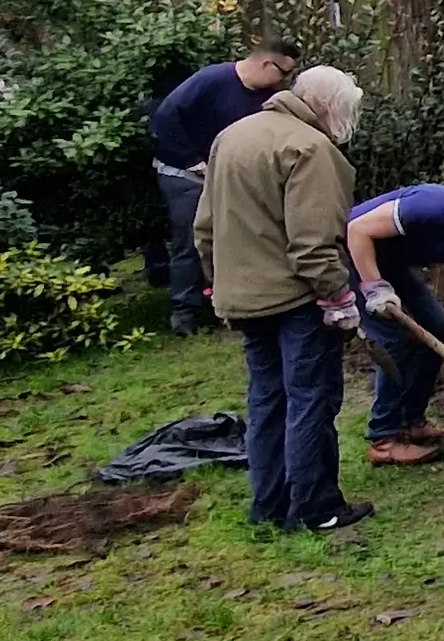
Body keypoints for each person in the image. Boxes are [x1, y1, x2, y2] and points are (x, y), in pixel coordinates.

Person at [193, 63, 373, 536]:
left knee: (267, 399)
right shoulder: (310, 149)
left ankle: (268, 505)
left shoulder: (232, 136)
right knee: (310, 398)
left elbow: (205, 228)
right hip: (296, 300)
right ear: (329, 108)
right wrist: (338, 298)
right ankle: (316, 508)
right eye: (348, 112)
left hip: (244, 298)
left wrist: (217, 284)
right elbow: (314, 245)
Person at [147, 40, 302, 335]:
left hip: (227, 176)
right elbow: (166, 117)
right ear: (266, 64)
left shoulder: (266, 98)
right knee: (191, 238)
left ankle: (230, 302)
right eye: (283, 73)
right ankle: (184, 313)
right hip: (185, 174)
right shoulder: (212, 80)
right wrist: (192, 161)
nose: (283, 82)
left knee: (233, 237)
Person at [346, 181, 444, 467]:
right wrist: (374, 288)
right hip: (352, 256)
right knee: (396, 341)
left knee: (440, 330)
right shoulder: (436, 208)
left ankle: (411, 421)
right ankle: (383, 438)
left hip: (391, 264)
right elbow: (356, 229)